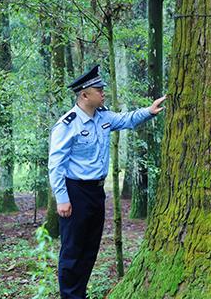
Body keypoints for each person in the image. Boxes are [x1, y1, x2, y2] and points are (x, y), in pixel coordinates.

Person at [48, 65, 166, 299]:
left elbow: (126, 119)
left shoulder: (103, 117)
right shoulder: (67, 125)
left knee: (90, 249)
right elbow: (55, 165)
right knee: (72, 250)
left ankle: (79, 294)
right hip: (75, 192)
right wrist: (62, 199)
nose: (103, 93)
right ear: (84, 95)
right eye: (99, 90)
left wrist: (149, 111)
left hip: (96, 193)